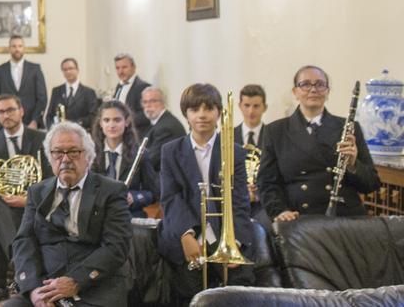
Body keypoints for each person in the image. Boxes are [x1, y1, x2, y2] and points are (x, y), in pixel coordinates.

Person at [8, 121, 133, 307]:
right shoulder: (37, 192)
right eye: (58, 152)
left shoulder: (112, 191)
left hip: (94, 285)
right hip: (45, 283)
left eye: (74, 152)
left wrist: (75, 281)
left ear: (88, 156)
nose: (65, 159)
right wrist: (34, 289)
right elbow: (24, 240)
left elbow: (116, 246)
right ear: (50, 158)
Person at [159, 83, 254, 305]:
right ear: (186, 114)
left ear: (219, 112)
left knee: (242, 290)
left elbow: (240, 202)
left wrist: (235, 243)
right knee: (187, 291)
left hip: (225, 233)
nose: (202, 115)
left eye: (209, 108)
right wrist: (186, 234)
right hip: (188, 233)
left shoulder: (236, 151)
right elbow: (170, 198)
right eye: (195, 109)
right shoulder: (170, 151)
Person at [259, 65, 381, 221]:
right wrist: (279, 211)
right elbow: (267, 183)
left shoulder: (350, 128)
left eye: (320, 84)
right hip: (298, 218)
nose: (313, 89)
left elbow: (371, 184)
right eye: (305, 84)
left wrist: (352, 164)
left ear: (328, 92)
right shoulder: (276, 131)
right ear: (295, 92)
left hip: (344, 216)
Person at [0, 94, 53, 304]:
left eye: (10, 110)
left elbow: (50, 178)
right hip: (3, 203)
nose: (6, 115)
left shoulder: (40, 137)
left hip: (31, 203)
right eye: (1, 112)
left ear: (21, 111)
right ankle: (19, 257)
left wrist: (27, 200)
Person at [90, 101, 158, 217]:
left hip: (129, 218)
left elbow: (153, 193)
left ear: (126, 122)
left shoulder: (140, 154)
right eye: (106, 120)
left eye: (117, 120)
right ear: (100, 123)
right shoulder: (90, 153)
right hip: (98, 217)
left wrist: (134, 197)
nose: (111, 125)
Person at [0, 36, 48, 129]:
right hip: (5, 123)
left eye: (20, 46)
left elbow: (42, 98)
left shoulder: (35, 69)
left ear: (24, 48)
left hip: (31, 124)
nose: (17, 49)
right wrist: (2, 118)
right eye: (14, 46)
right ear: (9, 48)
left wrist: (34, 120)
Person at [235, 84, 269, 227]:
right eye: (247, 105)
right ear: (240, 106)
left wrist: (259, 192)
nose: (251, 111)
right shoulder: (227, 138)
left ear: (264, 107)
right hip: (236, 203)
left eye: (256, 106)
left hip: (264, 204)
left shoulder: (273, 135)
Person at [144, 86, 187, 174]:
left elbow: (151, 160)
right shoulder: (159, 123)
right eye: (145, 102)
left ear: (163, 103)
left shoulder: (166, 127)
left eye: (153, 101)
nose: (148, 105)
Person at [46, 57, 100, 128]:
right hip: (60, 133)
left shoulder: (89, 92)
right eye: (65, 70)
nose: (68, 72)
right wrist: (53, 129)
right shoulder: (56, 91)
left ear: (77, 70)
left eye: (71, 68)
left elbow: (93, 117)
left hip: (81, 133)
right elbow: (49, 115)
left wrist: (72, 124)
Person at [112, 53, 152, 135]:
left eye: (124, 67)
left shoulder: (144, 87)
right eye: (117, 68)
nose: (120, 71)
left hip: (137, 134)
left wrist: (128, 120)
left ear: (133, 67)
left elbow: (147, 113)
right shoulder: (119, 86)